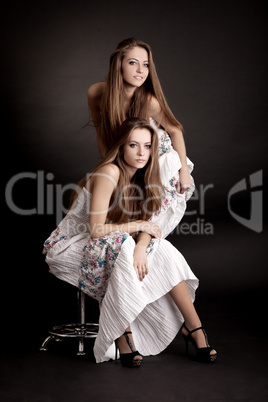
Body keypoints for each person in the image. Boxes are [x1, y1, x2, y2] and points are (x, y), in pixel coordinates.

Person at [43, 118, 217, 367]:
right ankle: (123, 337)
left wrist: (140, 246)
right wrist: (136, 231)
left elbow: (150, 225)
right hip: (69, 245)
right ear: (121, 147)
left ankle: (195, 329)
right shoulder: (109, 172)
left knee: (162, 248)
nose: (141, 153)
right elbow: (96, 230)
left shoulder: (145, 176)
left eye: (147, 146)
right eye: (133, 145)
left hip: (115, 239)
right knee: (122, 245)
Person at [87, 37, 195, 239]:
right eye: (132, 63)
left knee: (150, 212)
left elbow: (175, 130)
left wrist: (183, 172)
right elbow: (100, 129)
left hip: (159, 156)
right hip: (132, 155)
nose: (140, 70)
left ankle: (143, 248)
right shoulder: (96, 93)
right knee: (118, 205)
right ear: (118, 64)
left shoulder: (149, 101)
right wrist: (109, 163)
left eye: (145, 64)